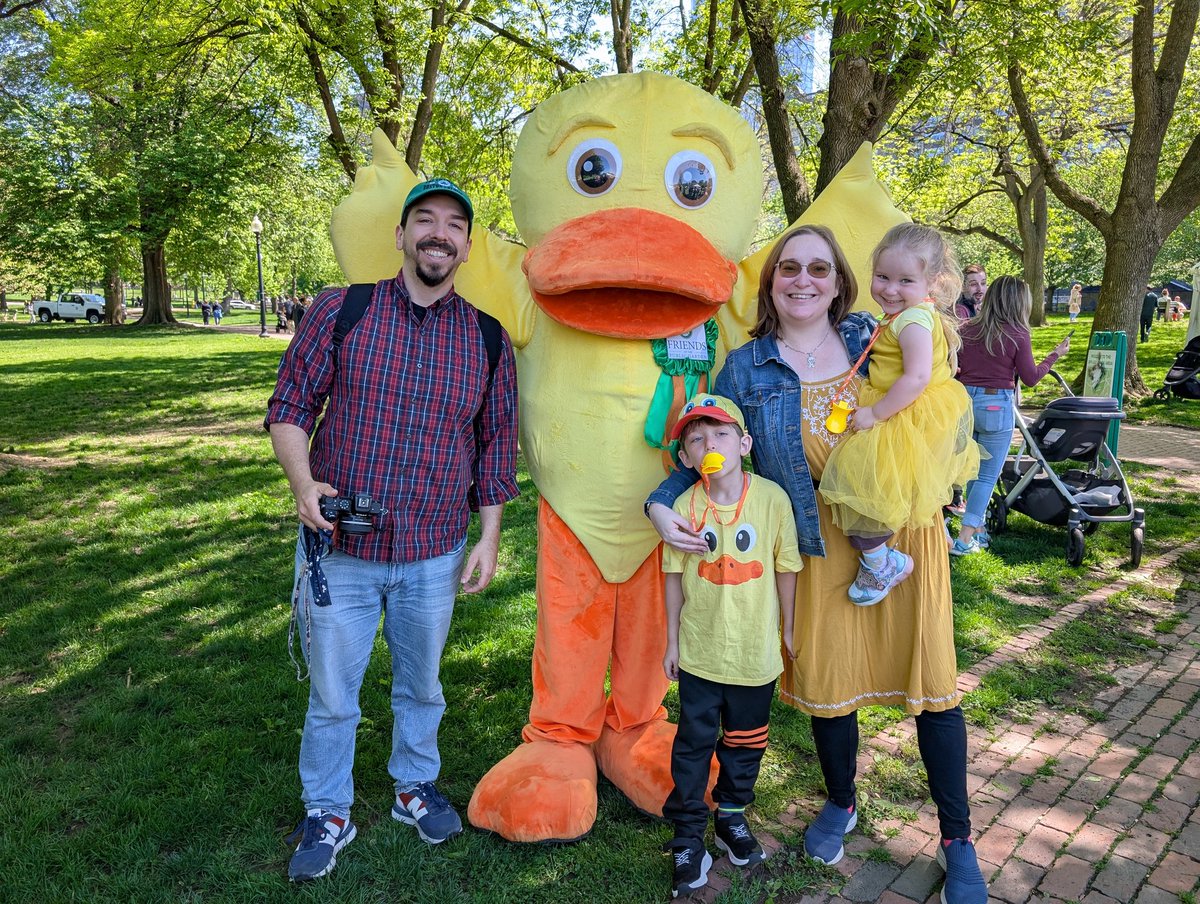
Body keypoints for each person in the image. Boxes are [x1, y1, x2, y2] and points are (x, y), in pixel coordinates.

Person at [647, 224, 988, 904]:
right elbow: (707, 447)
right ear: (772, 282)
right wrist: (662, 506)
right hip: (818, 551)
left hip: (903, 540)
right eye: (790, 269)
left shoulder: (877, 334)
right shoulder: (745, 368)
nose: (804, 280)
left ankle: (958, 838)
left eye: (820, 270)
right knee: (832, 691)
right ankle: (841, 800)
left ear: (839, 283)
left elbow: (939, 399)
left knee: (933, 687)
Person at [265, 178, 519, 882]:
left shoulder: (490, 341)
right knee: (332, 695)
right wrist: (301, 481)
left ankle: (414, 785)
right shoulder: (341, 312)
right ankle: (327, 807)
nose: (439, 234)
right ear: (402, 237)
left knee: (422, 686)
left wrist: (489, 537)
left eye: (454, 226)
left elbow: (498, 445)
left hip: (434, 551)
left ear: (467, 247)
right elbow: (289, 404)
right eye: (425, 221)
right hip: (339, 548)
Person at [659, 393, 802, 898]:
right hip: (700, 652)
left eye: (720, 433)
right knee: (693, 743)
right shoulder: (680, 507)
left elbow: (786, 566)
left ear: (743, 443)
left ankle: (732, 814)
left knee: (746, 742)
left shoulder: (771, 499)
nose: (708, 443)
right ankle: (686, 833)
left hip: (753, 656)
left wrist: (788, 628)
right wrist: (672, 640)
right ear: (685, 458)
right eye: (695, 439)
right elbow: (673, 577)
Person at [817, 223, 979, 607]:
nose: (889, 289)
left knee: (862, 491)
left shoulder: (912, 320)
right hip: (905, 406)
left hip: (902, 410)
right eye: (882, 277)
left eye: (905, 280)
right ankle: (916, 541)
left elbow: (918, 376)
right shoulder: (908, 314)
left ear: (933, 283)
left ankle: (881, 561)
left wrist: (875, 412)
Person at [951, 276, 1070, 555]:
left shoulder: (966, 329)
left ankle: (978, 531)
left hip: (964, 404)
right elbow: (1030, 378)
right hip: (995, 405)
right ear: (1019, 303)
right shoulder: (1017, 333)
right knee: (987, 477)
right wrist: (1054, 355)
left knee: (971, 469)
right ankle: (965, 538)